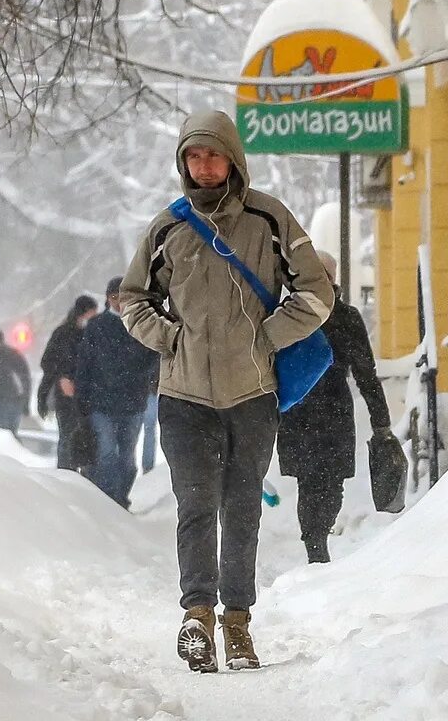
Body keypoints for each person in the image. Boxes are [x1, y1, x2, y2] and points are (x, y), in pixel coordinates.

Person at [121, 109, 334, 672]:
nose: (204, 165)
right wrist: (169, 340)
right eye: (193, 156)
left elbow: (315, 290)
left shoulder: (268, 219)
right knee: (196, 506)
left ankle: (238, 625)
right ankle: (197, 618)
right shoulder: (167, 227)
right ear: (183, 163)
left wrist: (268, 338)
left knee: (241, 509)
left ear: (233, 159)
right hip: (184, 396)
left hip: (252, 394)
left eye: (213, 155)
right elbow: (132, 299)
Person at [276, 253, 392, 564]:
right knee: (313, 481)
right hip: (307, 411)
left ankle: (317, 536)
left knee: (327, 481)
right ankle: (315, 542)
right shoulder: (289, 316)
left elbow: (367, 373)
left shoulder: (338, 318)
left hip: (321, 412)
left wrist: (381, 422)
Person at [74, 276, 157, 507]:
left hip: (132, 403)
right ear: (107, 298)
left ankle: (119, 498)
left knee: (128, 460)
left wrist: (140, 379)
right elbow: (85, 364)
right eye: (114, 297)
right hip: (102, 404)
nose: (119, 302)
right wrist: (82, 399)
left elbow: (153, 357)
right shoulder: (96, 327)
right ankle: (108, 502)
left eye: (124, 297)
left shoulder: (140, 326)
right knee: (106, 454)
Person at [36, 294, 97, 472]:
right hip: (65, 395)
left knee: (86, 436)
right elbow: (48, 361)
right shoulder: (62, 333)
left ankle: (82, 474)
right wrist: (62, 377)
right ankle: (65, 473)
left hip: (87, 394)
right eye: (90, 312)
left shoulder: (93, 333)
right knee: (67, 435)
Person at [0, 327, 31, 434]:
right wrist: (26, 404)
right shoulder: (15, 354)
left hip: (0, 401)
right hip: (16, 400)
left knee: (1, 434)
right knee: (12, 434)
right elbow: (25, 379)